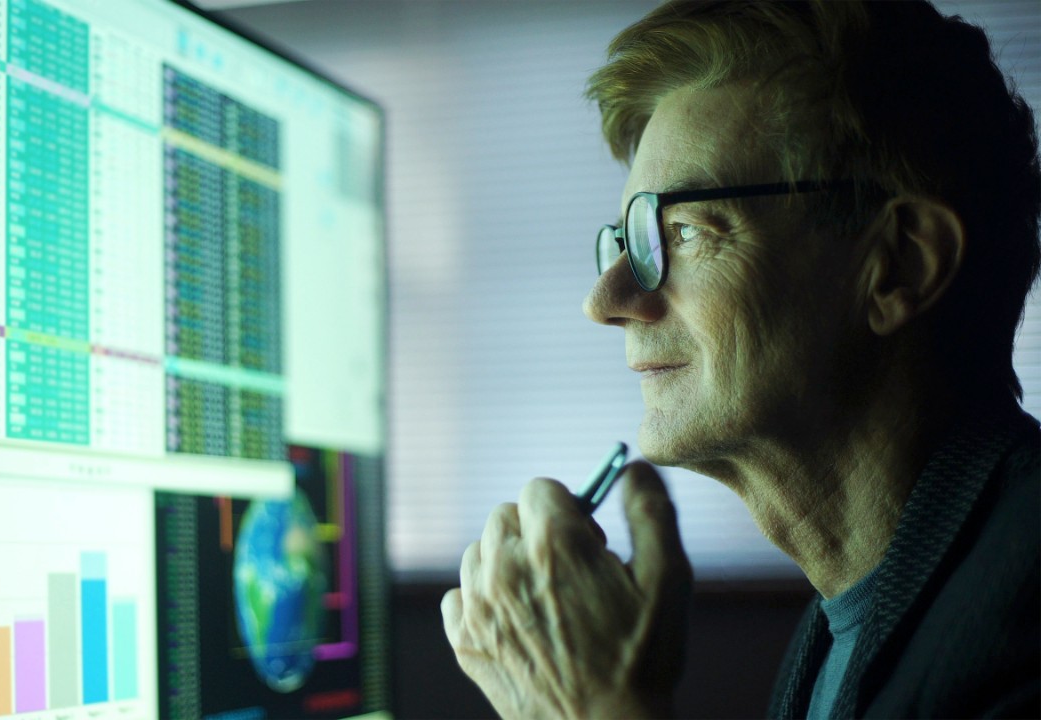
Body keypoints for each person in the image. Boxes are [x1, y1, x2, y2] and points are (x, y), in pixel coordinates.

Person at [440, 0, 1040, 717]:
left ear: (899, 264)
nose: (606, 298)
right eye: (626, 242)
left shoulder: (1026, 601)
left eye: (683, 232)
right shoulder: (838, 620)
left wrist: (600, 707)